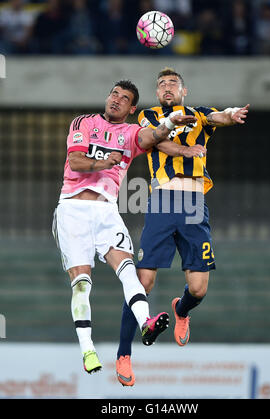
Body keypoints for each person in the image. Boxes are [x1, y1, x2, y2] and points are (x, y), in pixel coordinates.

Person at [52, 79, 204, 374]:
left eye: (124, 98)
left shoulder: (131, 134)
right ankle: (88, 350)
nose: (116, 100)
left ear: (132, 108)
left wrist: (172, 120)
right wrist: (104, 163)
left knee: (129, 270)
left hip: (107, 211)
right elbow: (76, 161)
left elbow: (155, 135)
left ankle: (146, 323)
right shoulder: (84, 122)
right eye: (114, 94)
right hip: (73, 209)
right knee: (82, 284)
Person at [116, 68, 249, 386]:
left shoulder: (198, 115)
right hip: (162, 204)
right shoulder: (149, 115)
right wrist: (184, 150)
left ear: (184, 91)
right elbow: (156, 142)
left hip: (193, 207)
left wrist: (231, 113)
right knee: (143, 282)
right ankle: (123, 355)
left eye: (172, 83)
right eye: (161, 84)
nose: (166, 87)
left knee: (199, 289)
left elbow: (220, 118)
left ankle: (182, 309)